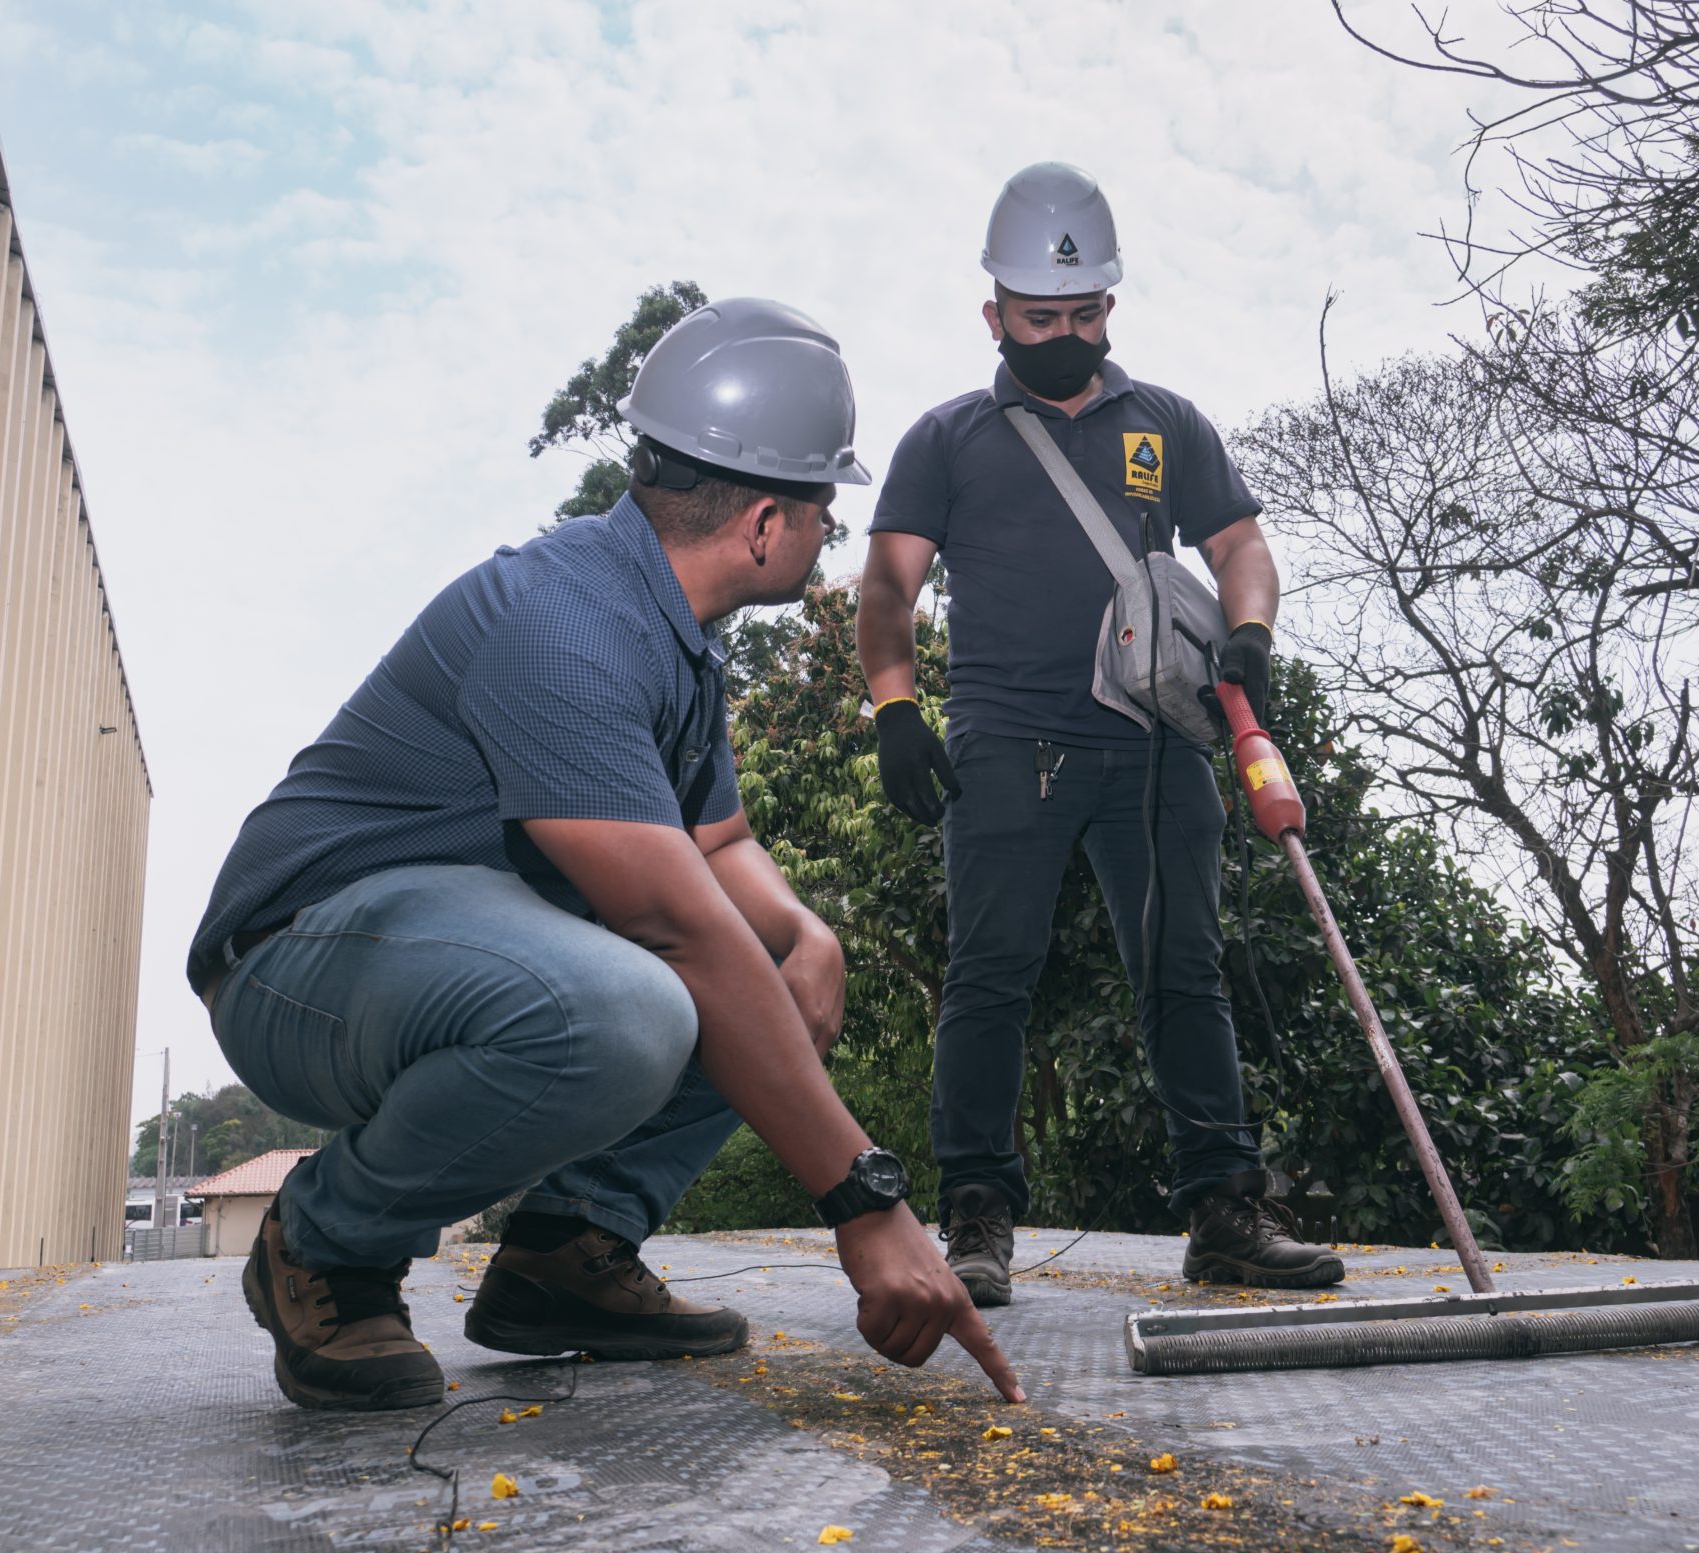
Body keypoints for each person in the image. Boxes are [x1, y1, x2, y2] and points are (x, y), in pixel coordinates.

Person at [190, 297, 1022, 1412]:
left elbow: (716, 842)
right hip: (297, 965)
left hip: (443, 947)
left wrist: (803, 931)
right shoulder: (564, 618)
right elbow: (676, 925)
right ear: (766, 522)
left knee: (761, 973)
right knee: (636, 1001)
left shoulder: (673, 642)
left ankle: (566, 1253)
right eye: (828, 508)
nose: (829, 536)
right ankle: (324, 1242)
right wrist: (869, 1209)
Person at [857, 164, 1346, 1308]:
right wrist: (893, 707)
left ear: (1109, 309)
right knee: (989, 979)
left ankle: (1224, 1211)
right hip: (1005, 744)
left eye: (1083, 315)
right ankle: (975, 1219)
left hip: (1158, 746)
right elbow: (889, 588)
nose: (1065, 334)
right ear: (995, 317)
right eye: (1041, 318)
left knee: (1184, 973)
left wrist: (1251, 630)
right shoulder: (947, 439)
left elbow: (1239, 548)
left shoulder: (1165, 424)